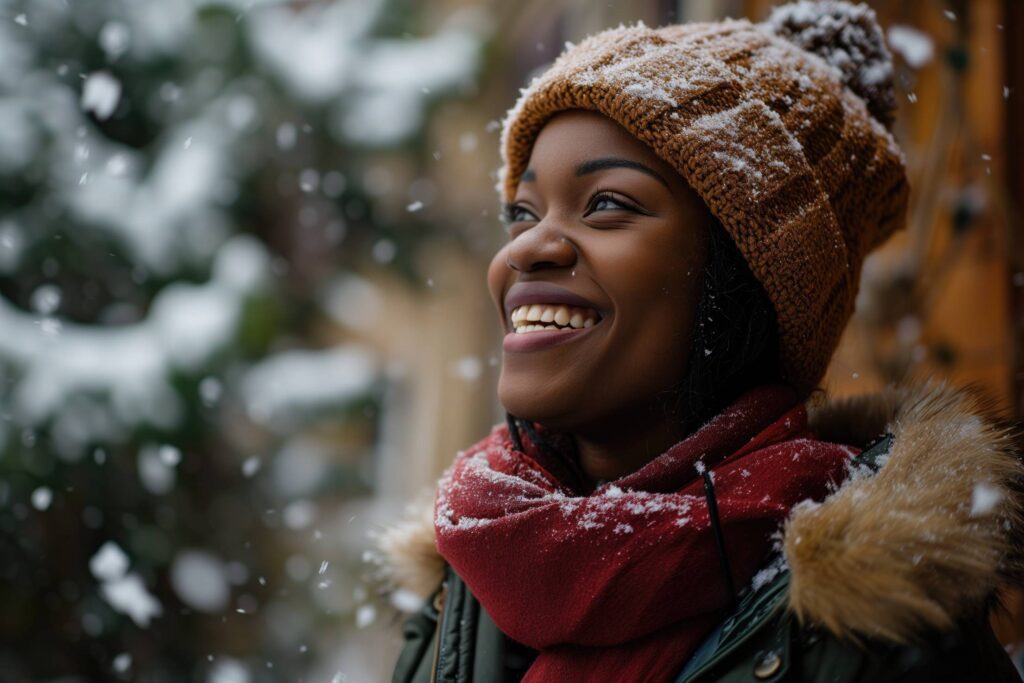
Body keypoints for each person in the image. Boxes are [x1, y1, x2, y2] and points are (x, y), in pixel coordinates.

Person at [376, 2, 1024, 681]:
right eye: (522, 212)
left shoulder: (877, 642)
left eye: (607, 204)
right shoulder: (458, 592)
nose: (529, 247)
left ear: (741, 280)